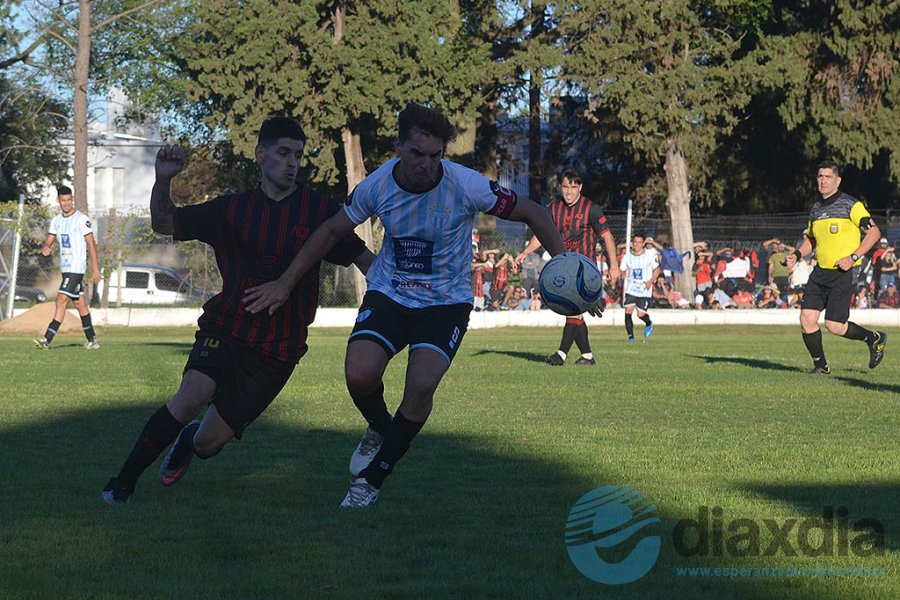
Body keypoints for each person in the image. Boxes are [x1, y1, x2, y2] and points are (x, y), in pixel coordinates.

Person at [242, 103, 568, 508]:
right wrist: (284, 283)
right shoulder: (377, 185)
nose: (426, 165)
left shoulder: (466, 184)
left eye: (435, 156)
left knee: (421, 384)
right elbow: (330, 231)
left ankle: (371, 480)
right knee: (359, 374)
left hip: (445, 303)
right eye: (417, 154)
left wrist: (566, 266)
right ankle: (380, 427)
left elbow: (534, 212)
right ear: (399, 146)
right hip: (390, 293)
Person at [100, 117, 374, 504]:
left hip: (279, 348)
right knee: (192, 393)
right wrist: (163, 179)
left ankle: (188, 440)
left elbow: (366, 260)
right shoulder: (232, 210)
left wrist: (400, 298)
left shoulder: (319, 212)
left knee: (208, 444)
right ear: (260, 154)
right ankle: (122, 483)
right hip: (227, 325)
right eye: (282, 153)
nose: (291, 162)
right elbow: (164, 222)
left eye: (297, 155)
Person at [786, 159, 886, 374]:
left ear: (837, 180)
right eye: (820, 176)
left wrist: (853, 257)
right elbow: (811, 240)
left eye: (828, 177)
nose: (823, 181)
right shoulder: (815, 208)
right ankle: (821, 366)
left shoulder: (851, 204)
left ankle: (874, 338)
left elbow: (874, 232)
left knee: (834, 326)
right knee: (807, 319)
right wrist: (796, 253)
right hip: (820, 271)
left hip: (844, 272)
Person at [516, 168, 621, 366]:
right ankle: (588, 356)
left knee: (573, 310)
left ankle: (561, 355)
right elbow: (542, 233)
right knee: (575, 311)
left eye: (573, 187)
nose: (569, 191)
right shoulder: (554, 208)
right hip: (563, 268)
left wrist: (614, 266)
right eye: (565, 187)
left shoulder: (591, 208)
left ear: (580, 187)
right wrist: (525, 252)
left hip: (585, 270)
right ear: (561, 187)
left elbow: (607, 236)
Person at [33, 185, 102, 350]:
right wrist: (46, 247)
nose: (66, 203)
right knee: (80, 304)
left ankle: (47, 339)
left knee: (61, 300)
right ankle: (92, 339)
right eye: (63, 200)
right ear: (58, 201)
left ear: (72, 200)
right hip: (66, 269)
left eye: (68, 200)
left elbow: (91, 244)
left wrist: (95, 269)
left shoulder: (81, 219)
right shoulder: (56, 221)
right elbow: (50, 239)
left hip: (76, 268)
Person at [619, 234, 659, 342]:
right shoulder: (627, 256)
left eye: (640, 242)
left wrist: (650, 281)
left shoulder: (649, 255)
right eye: (635, 242)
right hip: (631, 288)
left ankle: (648, 323)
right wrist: (622, 274)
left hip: (644, 289)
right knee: (628, 311)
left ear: (643, 244)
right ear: (632, 243)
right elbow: (623, 270)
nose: (637, 245)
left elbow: (657, 270)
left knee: (640, 314)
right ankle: (631, 337)